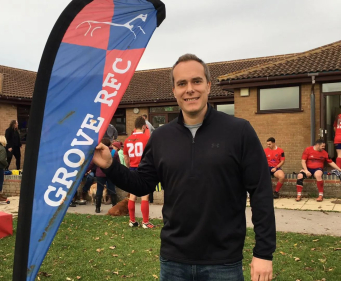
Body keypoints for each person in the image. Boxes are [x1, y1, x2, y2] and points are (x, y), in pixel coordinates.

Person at [93, 54, 276, 281]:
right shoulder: (161, 137)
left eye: (196, 81)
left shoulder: (239, 131)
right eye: (182, 84)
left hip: (223, 263)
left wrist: (263, 253)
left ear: (208, 86)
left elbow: (261, 191)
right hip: (173, 262)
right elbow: (142, 184)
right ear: (174, 91)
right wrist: (111, 165)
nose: (190, 89)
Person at [123, 116, 154, 229]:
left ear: (134, 127)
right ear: (144, 126)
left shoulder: (127, 140)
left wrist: (130, 166)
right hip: (144, 168)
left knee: (132, 195)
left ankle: (132, 221)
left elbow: (126, 157)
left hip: (132, 168)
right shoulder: (147, 138)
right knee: (145, 196)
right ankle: (145, 222)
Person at [89, 138, 120, 213]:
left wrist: (86, 170)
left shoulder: (98, 152)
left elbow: (92, 163)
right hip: (111, 173)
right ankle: (114, 207)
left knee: (99, 190)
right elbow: (118, 164)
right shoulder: (114, 152)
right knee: (112, 189)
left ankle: (97, 208)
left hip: (100, 173)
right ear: (109, 144)